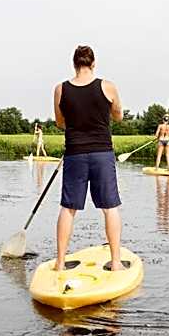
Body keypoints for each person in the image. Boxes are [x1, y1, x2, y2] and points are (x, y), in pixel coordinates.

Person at [53, 45, 124, 272]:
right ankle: (115, 262)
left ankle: (61, 262)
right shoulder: (108, 86)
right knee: (110, 207)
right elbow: (119, 115)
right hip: (102, 153)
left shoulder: (60, 89)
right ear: (93, 63)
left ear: (74, 64)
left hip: (74, 153)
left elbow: (59, 122)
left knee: (68, 208)